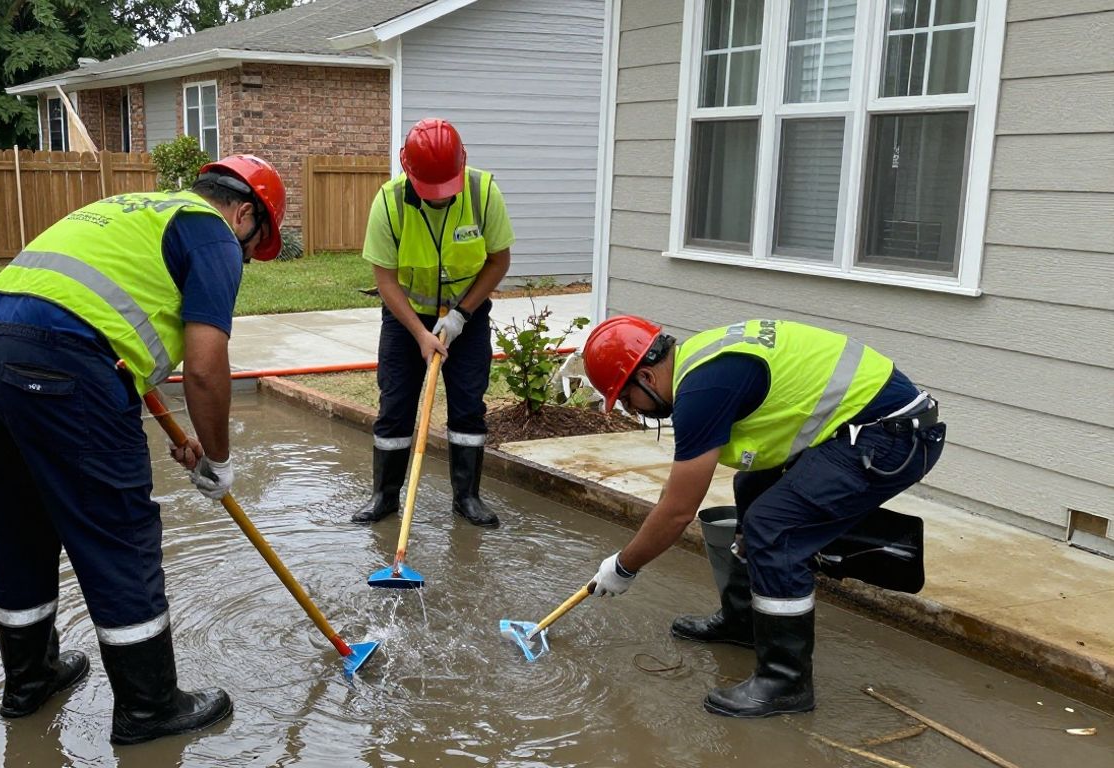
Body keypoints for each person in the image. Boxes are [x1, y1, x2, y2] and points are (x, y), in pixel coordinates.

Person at [0, 155, 286, 745]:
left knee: (21, 523)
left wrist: (184, 435)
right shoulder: (212, 235)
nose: (243, 261)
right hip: (60, 365)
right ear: (243, 215)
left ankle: (29, 683)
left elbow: (111, 319)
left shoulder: (140, 208)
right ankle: (149, 709)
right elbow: (208, 369)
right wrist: (220, 458)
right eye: (252, 248)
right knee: (119, 532)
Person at [580, 316, 946, 717]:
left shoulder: (703, 390)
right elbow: (677, 490)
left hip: (893, 437)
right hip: (868, 427)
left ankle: (785, 681)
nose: (635, 412)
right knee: (751, 488)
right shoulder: (699, 365)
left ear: (646, 376)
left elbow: (679, 512)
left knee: (774, 529)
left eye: (629, 400)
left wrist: (624, 566)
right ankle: (745, 624)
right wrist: (631, 551)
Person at [351, 118, 515, 528]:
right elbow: (385, 279)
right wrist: (421, 333)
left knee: (468, 406)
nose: (440, 199)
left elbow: (499, 260)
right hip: (406, 317)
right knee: (395, 406)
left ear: (462, 166)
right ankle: (385, 498)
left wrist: (461, 315)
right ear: (409, 171)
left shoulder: (482, 193)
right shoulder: (388, 203)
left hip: (468, 314)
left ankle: (467, 498)